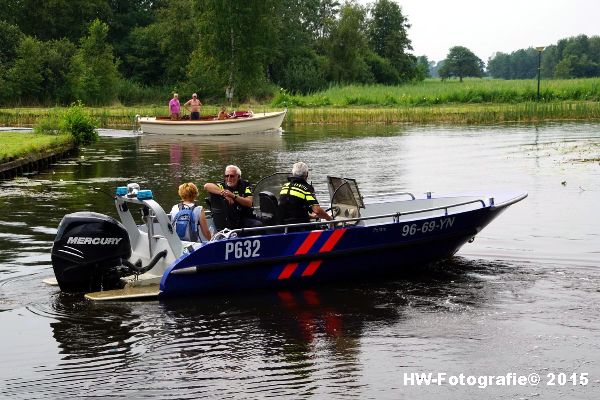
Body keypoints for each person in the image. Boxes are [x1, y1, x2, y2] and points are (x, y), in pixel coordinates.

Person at [279, 162, 332, 226]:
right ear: (307, 175)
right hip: (298, 226)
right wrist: (330, 219)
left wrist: (309, 216)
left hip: (282, 223)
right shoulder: (306, 188)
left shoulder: (285, 186)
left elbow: (290, 207)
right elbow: (317, 210)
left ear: (293, 173)